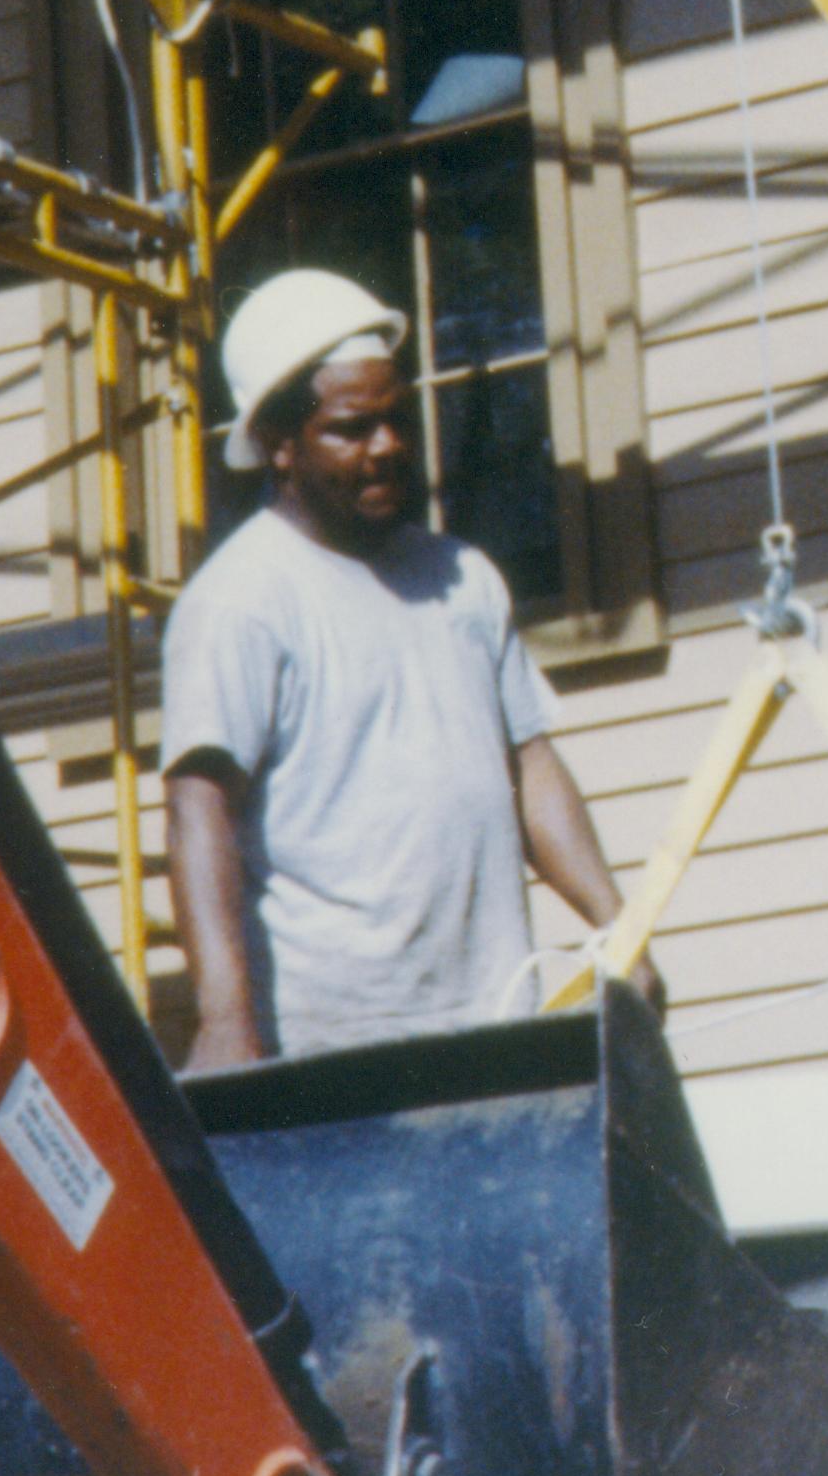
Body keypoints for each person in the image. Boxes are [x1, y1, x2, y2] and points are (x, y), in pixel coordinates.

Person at [163, 268, 654, 1065]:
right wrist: (223, 1018)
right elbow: (197, 810)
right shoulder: (241, 600)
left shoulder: (462, 578)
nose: (387, 447)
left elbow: (529, 765)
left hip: (494, 1024)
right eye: (352, 429)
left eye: (397, 421)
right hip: (332, 1050)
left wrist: (617, 927)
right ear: (281, 445)